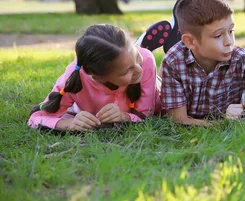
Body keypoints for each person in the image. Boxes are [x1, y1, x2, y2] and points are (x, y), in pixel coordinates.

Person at [28, 24, 161, 131]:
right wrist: (70, 123)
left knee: (163, 97)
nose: (139, 69)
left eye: (137, 57)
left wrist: (124, 116)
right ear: (99, 78)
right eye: (126, 71)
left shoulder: (146, 61)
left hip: (156, 89)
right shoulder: (74, 78)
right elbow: (36, 118)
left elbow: (145, 115)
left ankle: (147, 55)